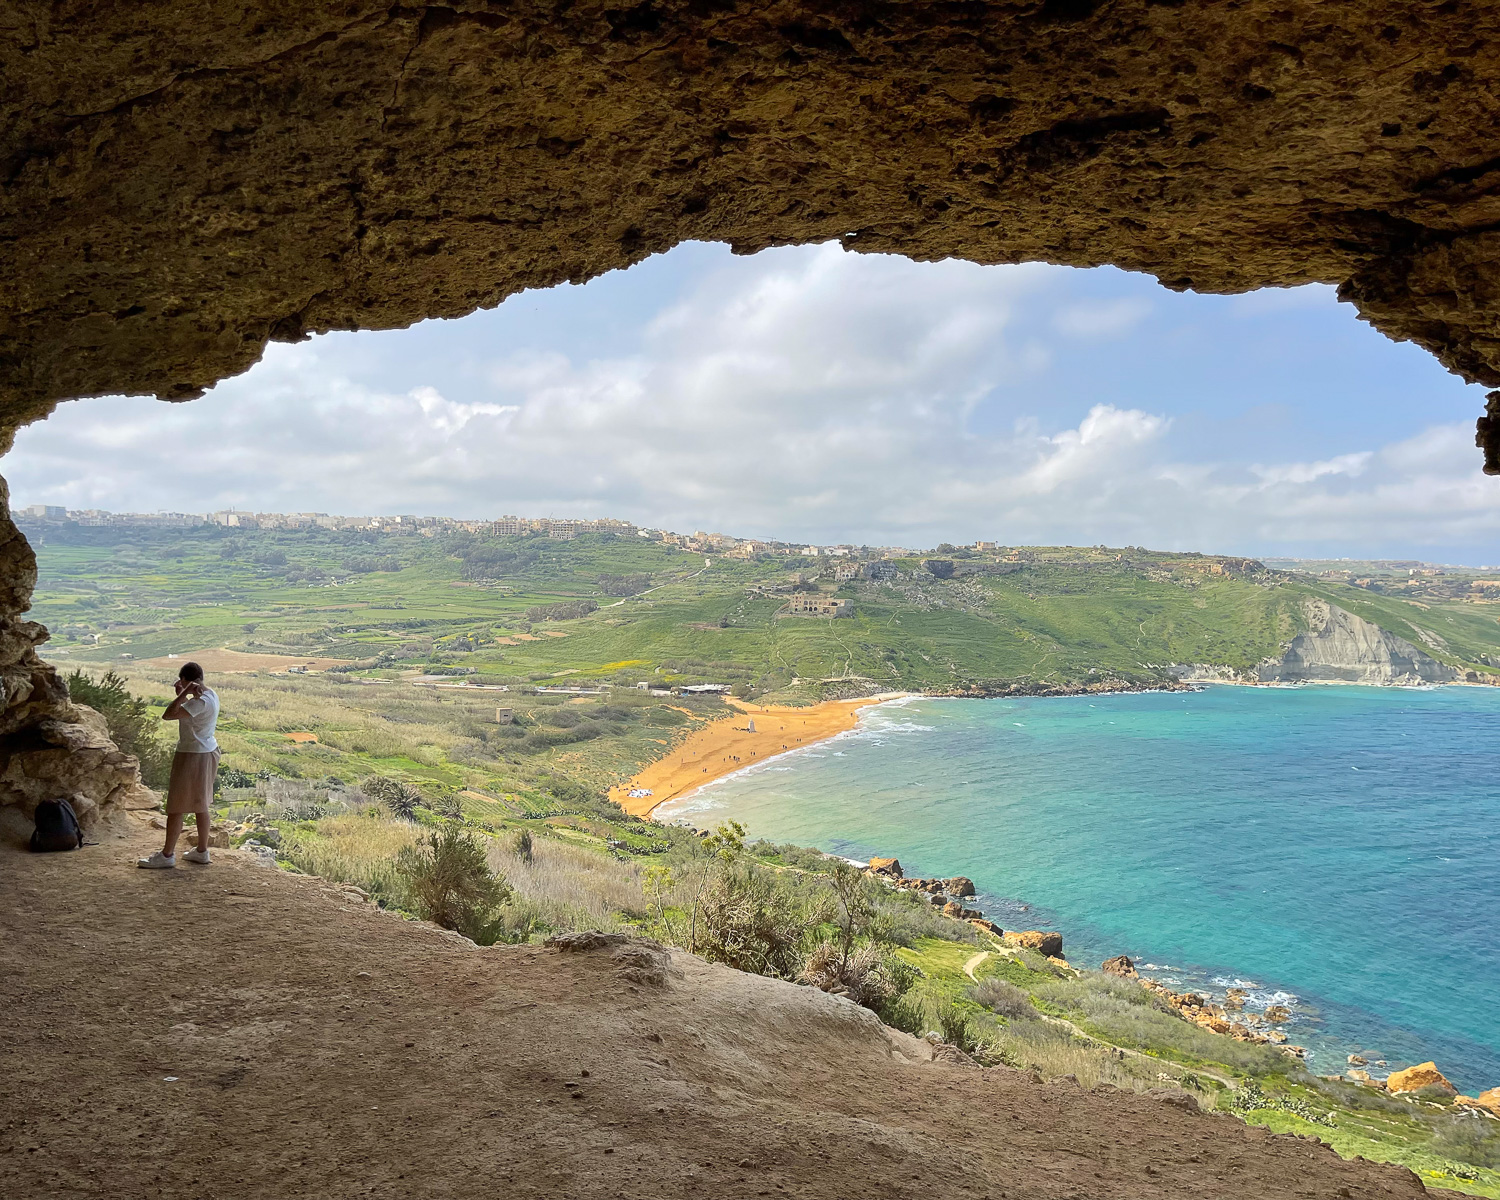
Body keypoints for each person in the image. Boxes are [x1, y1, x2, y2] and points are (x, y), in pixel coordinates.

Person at [138, 662, 221, 869]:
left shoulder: (198, 702)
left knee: (176, 807)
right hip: (208, 751)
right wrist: (184, 694)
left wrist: (182, 694)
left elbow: (168, 714)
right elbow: (188, 714)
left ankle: (167, 855)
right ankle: (201, 851)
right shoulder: (211, 695)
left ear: (185, 680)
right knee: (201, 804)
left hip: (192, 754)